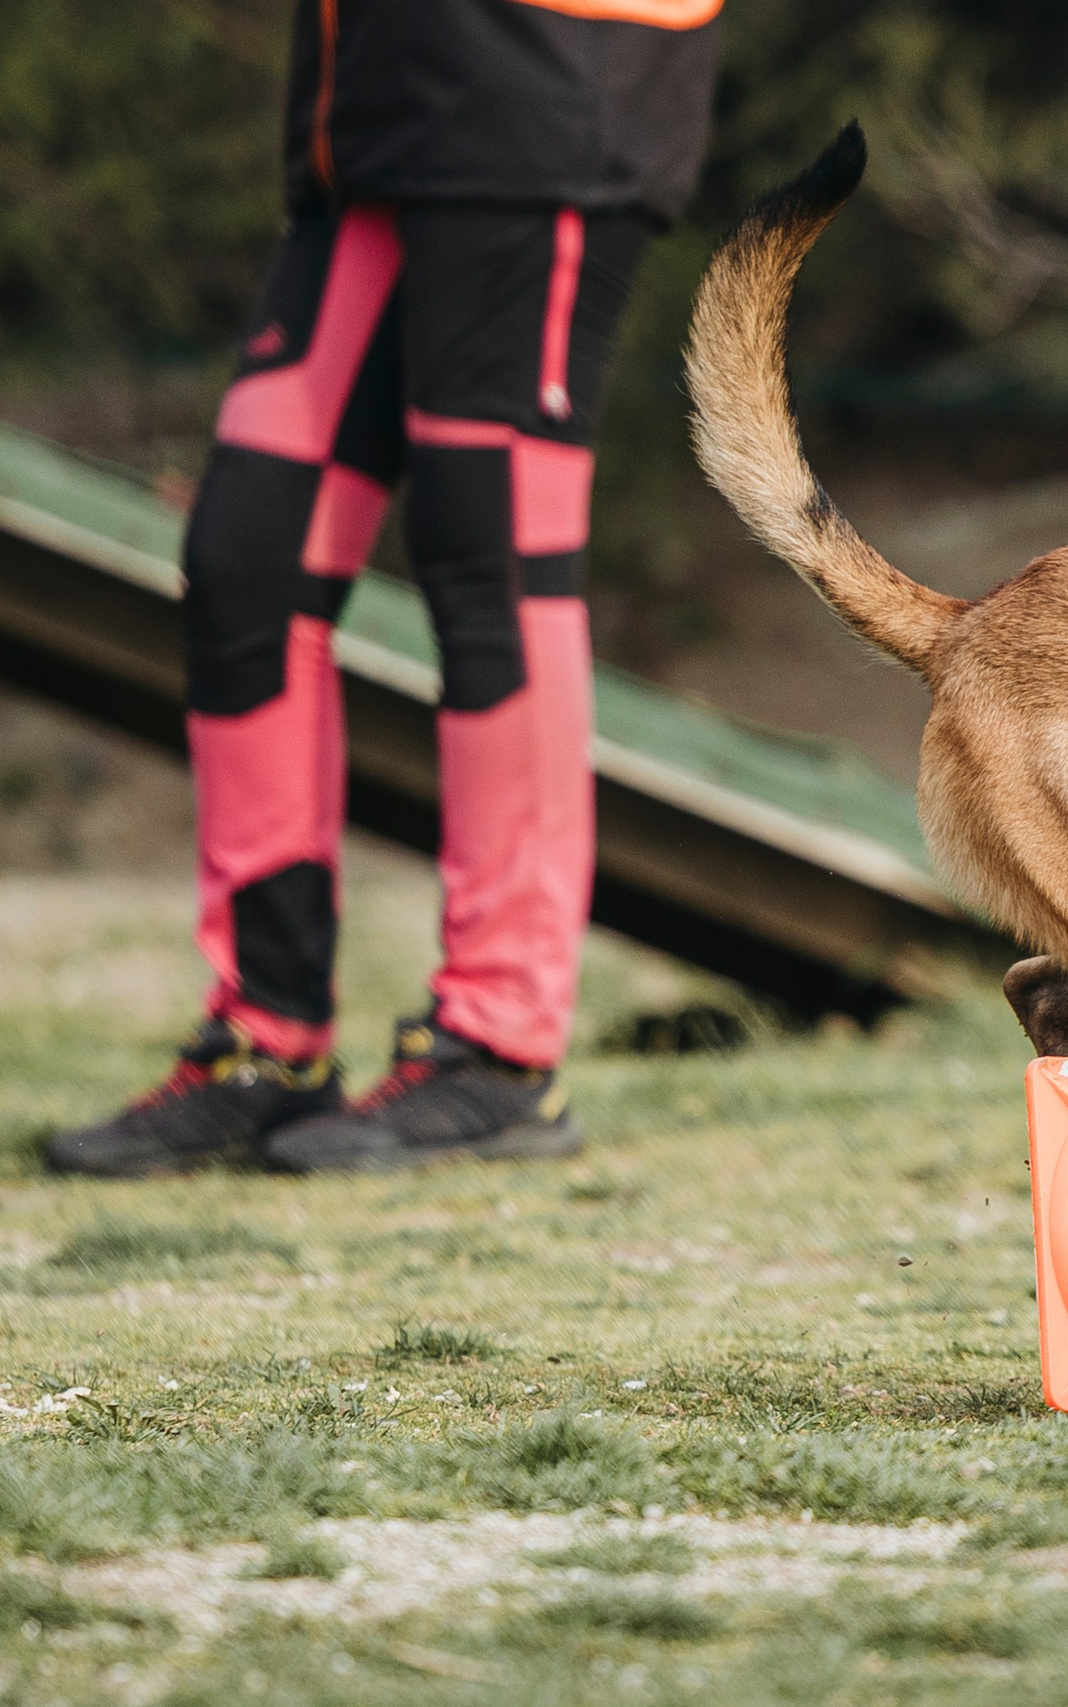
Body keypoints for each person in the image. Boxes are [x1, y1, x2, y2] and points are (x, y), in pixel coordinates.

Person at [47, 0, 723, 1178]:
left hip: (547, 83)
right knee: (246, 562)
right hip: (371, 106)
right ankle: (269, 1040)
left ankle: (499, 1045)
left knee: (493, 551)